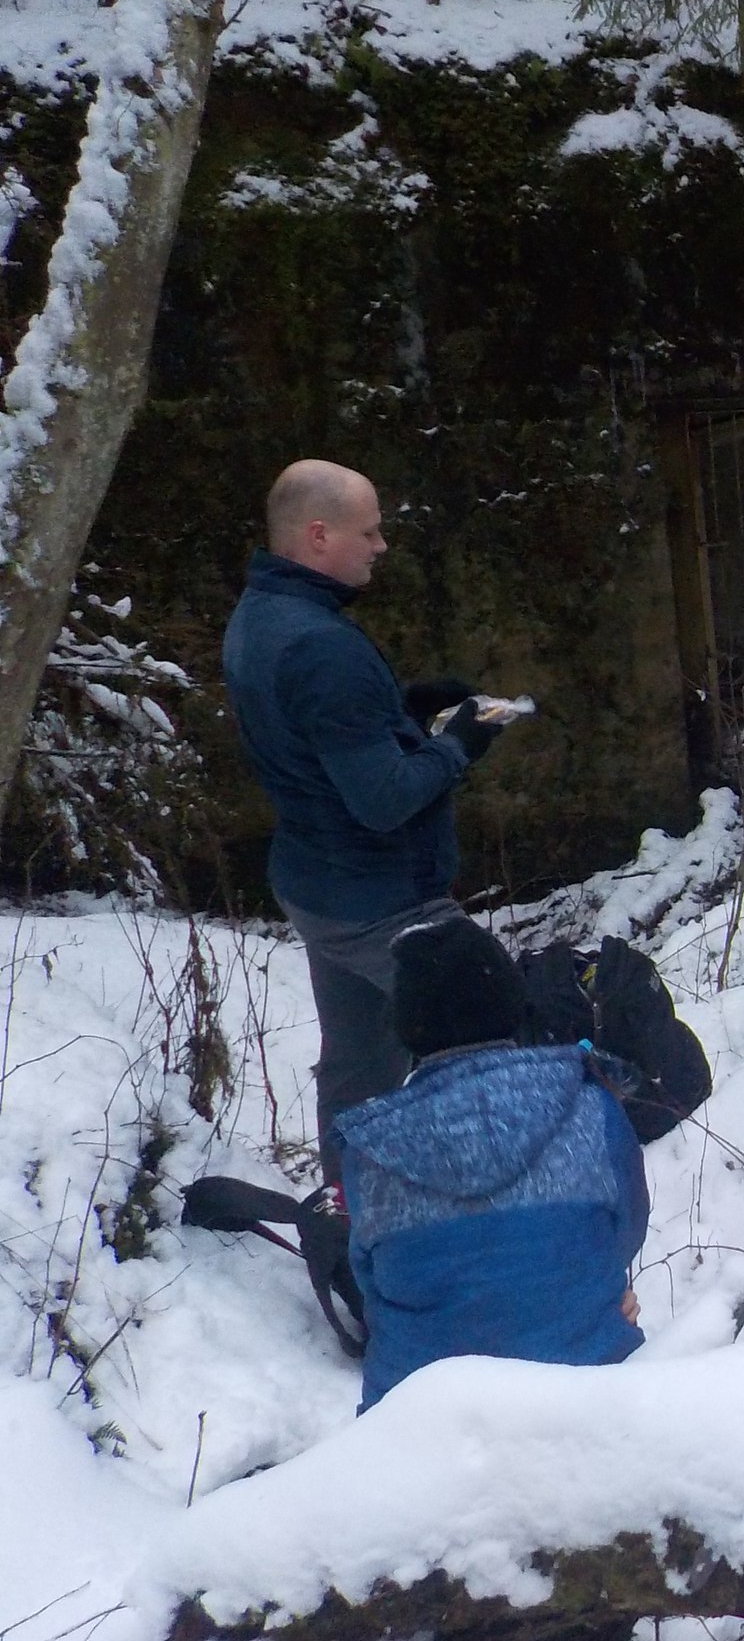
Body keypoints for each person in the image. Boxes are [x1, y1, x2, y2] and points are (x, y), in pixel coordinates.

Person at [222, 460, 509, 1179]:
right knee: (502, 1042)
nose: (382, 545)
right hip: (381, 900)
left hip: (319, 883)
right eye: (370, 531)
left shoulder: (262, 615)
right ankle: (494, 1219)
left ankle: (355, 1220)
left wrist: (404, 712)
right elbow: (382, 801)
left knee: (359, 1066)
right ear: (319, 536)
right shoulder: (324, 647)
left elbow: (314, 738)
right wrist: (458, 745)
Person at [334, 915, 648, 1411]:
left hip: (413, 1422)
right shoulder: (589, 1102)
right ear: (510, 1002)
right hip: (590, 1391)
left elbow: (371, 1280)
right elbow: (626, 1231)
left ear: (406, 1026)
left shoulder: (368, 1148)